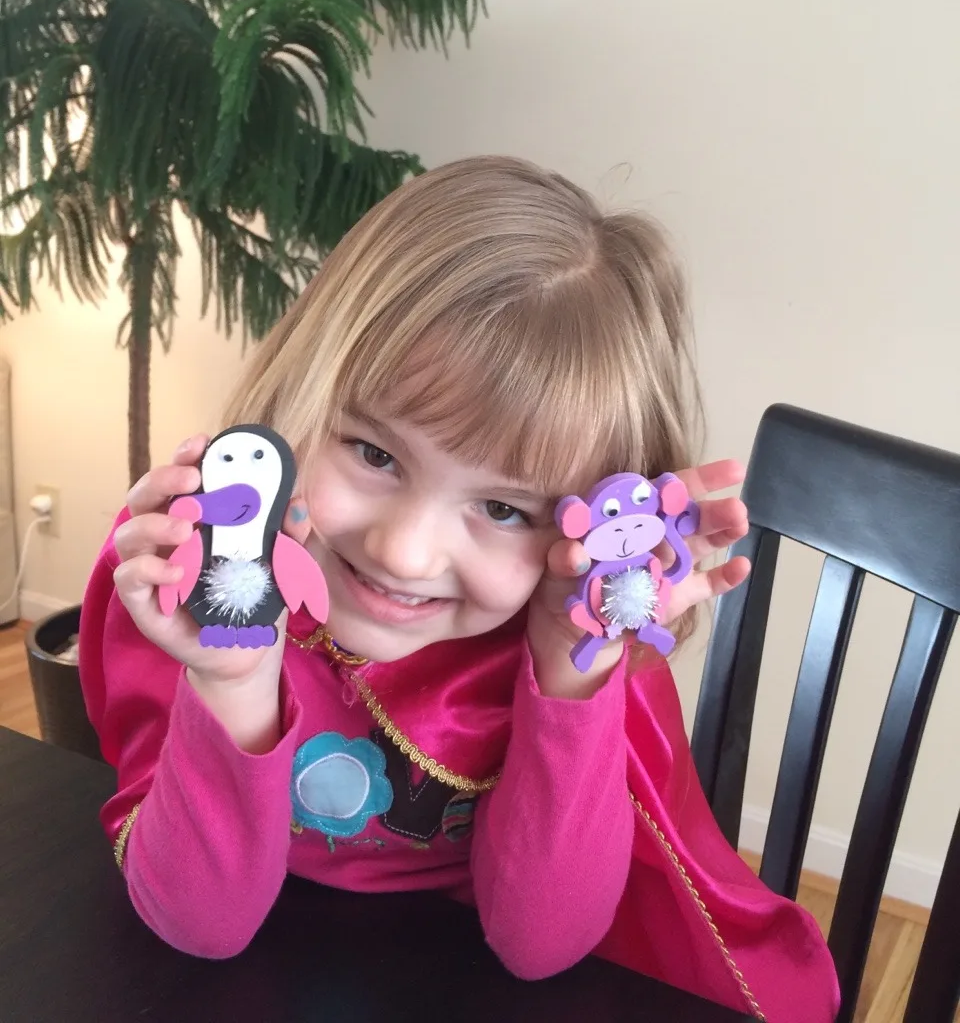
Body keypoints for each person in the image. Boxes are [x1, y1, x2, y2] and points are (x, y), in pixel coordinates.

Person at [79, 157, 839, 1021]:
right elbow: (198, 926)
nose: (405, 552)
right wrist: (234, 679)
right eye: (374, 454)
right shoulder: (206, 573)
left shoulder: (557, 643)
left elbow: (540, 944)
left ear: (587, 527)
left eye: (505, 508)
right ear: (301, 391)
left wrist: (567, 670)